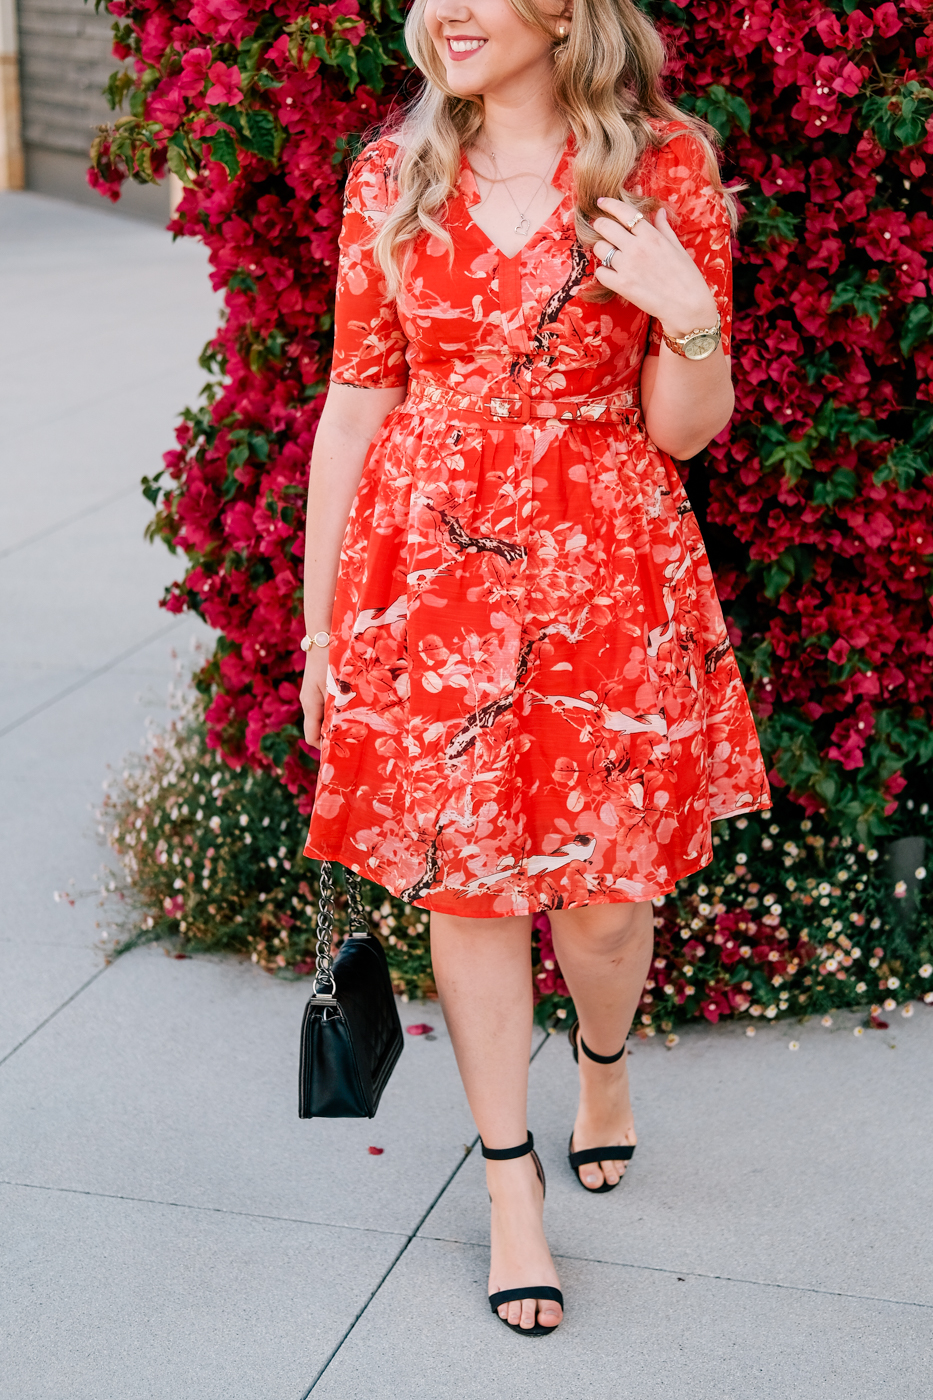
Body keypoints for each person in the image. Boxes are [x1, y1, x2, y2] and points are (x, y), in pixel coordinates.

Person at [300, 0, 770, 1337]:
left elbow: (681, 433)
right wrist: (324, 627)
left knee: (608, 908)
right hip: (427, 578)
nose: (442, 11)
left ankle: (604, 1066)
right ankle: (511, 1186)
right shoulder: (392, 176)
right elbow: (355, 403)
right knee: (469, 892)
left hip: (606, 567)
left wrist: (686, 311)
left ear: (564, 9)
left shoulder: (659, 163)